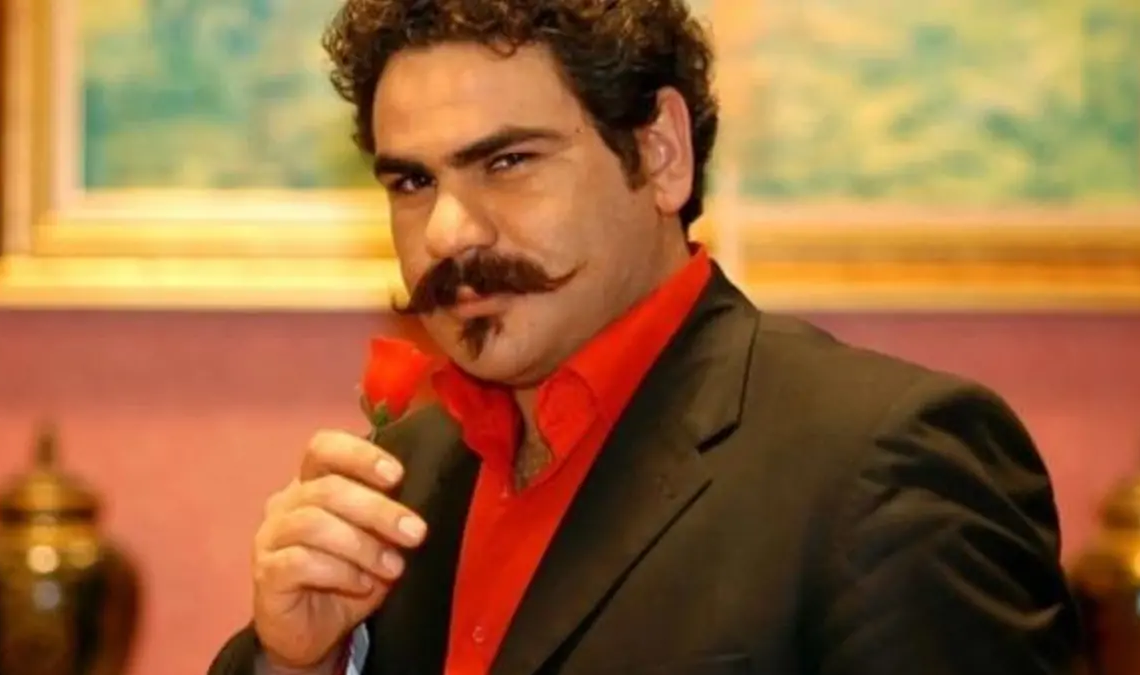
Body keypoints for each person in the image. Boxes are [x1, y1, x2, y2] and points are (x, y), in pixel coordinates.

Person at [208, 0, 1084, 673]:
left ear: (661, 153)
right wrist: (296, 663)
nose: (446, 233)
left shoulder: (886, 463)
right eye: (410, 182)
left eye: (507, 162)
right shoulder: (400, 476)